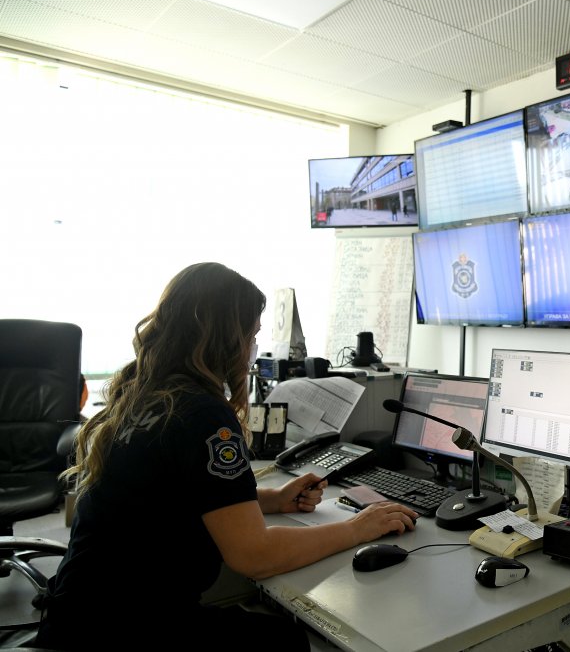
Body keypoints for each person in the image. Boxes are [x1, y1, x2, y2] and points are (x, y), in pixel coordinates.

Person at [37, 263, 417, 650]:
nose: (252, 349)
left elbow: (175, 496)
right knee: (286, 639)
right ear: (227, 339)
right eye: (252, 335)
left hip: (76, 614)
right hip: (122, 629)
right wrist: (357, 529)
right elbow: (254, 555)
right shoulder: (202, 413)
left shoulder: (147, 396)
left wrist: (271, 499)